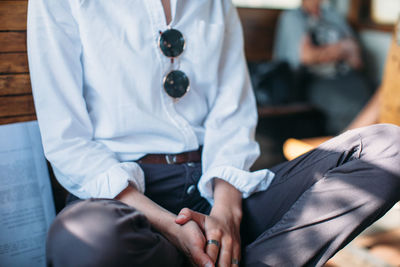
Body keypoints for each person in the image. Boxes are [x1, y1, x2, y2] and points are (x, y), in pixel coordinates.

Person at [27, 0, 400, 266]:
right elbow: (67, 140)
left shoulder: (215, 3)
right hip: (124, 201)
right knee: (79, 241)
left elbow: (232, 114)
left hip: (215, 185)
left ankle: (224, 254)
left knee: (386, 149)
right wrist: (174, 229)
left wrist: (226, 212)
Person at [274, 0, 373, 134]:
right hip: (312, 79)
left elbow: (356, 57)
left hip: (346, 75)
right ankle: (343, 147)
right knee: (350, 106)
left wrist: (323, 52)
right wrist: (342, 48)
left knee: (376, 98)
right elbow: (306, 57)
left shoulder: (333, 15)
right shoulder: (293, 17)